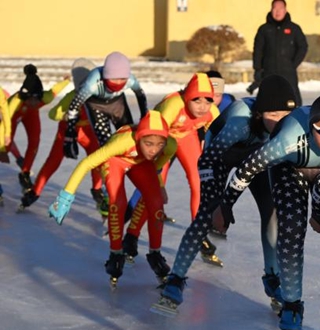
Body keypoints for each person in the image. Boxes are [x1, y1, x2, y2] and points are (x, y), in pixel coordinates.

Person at [212, 93, 320, 330]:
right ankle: (292, 303)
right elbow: (247, 170)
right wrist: (225, 205)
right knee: (292, 230)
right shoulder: (286, 140)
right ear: (310, 127)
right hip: (289, 167)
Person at [155, 75, 299, 314]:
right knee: (205, 215)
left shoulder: (288, 124)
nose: (279, 122)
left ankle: (272, 276)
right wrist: (220, 204)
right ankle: (176, 278)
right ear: (260, 113)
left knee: (273, 211)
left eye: (284, 116)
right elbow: (208, 160)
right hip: (221, 156)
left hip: (259, 157)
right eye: (272, 115)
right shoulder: (240, 122)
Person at [49, 111, 178, 287]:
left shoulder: (170, 146)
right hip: (115, 160)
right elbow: (86, 163)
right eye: (148, 144)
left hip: (139, 163)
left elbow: (156, 166)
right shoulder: (123, 142)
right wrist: (65, 197)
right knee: (119, 203)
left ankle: (155, 253)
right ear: (139, 138)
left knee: (156, 202)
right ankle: (115, 254)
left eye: (159, 144)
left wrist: (158, 186)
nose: (154, 149)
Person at [121, 73, 220, 265]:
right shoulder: (173, 106)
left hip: (185, 137)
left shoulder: (212, 112)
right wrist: (157, 179)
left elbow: (221, 137)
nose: (202, 106)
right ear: (186, 97)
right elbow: (155, 139)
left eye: (207, 101)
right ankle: (131, 236)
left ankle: (199, 233)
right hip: (160, 140)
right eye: (196, 100)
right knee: (153, 190)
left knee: (199, 181)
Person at [19, 59, 106, 215]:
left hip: (87, 132)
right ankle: (35, 192)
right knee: (53, 161)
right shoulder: (72, 96)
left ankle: (97, 190)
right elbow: (53, 113)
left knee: (97, 158)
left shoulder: (99, 94)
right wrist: (65, 116)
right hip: (67, 131)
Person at [63, 51, 147, 156]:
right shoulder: (91, 84)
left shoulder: (131, 79)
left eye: (122, 79)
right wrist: (70, 133)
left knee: (129, 137)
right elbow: (74, 106)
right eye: (113, 79)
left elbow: (140, 95)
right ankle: (113, 166)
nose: (118, 83)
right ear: (105, 76)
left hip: (117, 104)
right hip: (96, 105)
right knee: (106, 144)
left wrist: (144, 116)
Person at [5, 64, 70, 194]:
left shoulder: (45, 97)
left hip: (31, 115)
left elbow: (55, 90)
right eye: (31, 99)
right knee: (5, 145)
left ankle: (25, 173)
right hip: (13, 116)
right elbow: (6, 119)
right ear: (25, 97)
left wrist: (66, 81)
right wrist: (6, 135)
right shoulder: (16, 101)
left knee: (35, 141)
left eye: (36, 99)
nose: (34, 102)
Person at [248, 0, 307, 102]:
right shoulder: (264, 29)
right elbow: (258, 50)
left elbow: (303, 46)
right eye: (275, 8)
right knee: (266, 102)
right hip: (268, 71)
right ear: (271, 10)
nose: (277, 12)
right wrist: (257, 69)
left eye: (280, 8)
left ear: (285, 10)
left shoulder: (294, 28)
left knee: (293, 101)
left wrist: (293, 64)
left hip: (288, 73)